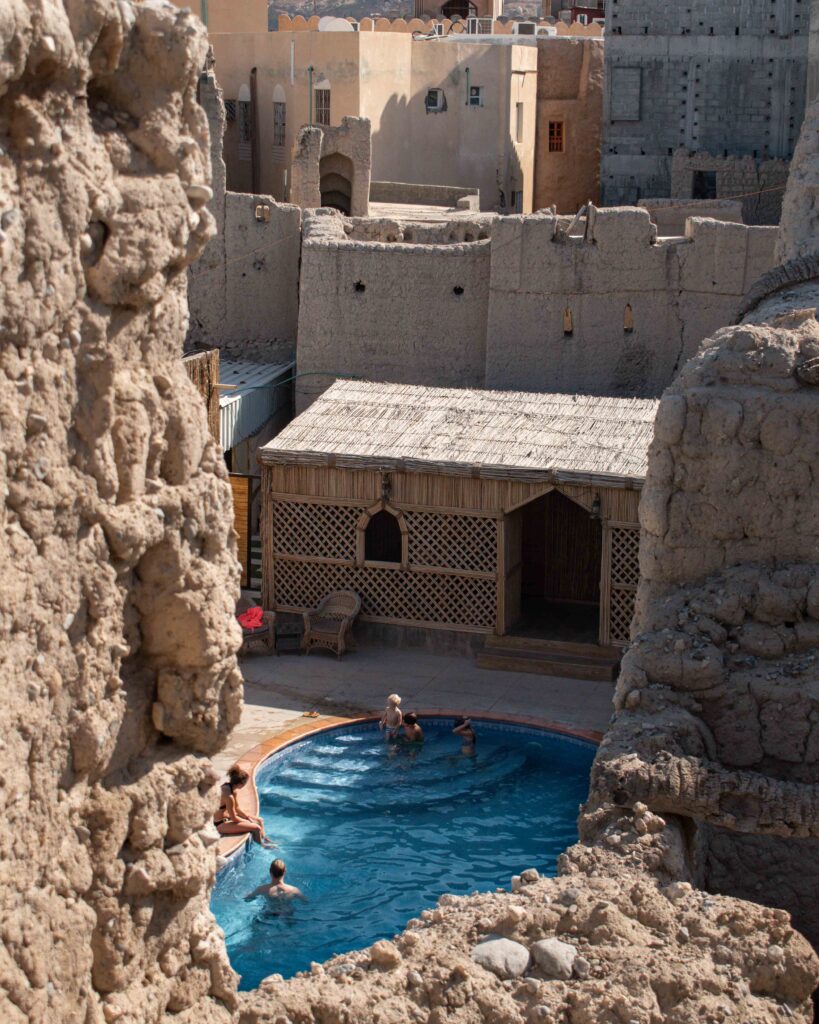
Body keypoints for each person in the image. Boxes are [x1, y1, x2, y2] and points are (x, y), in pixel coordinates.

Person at [213, 765, 276, 848]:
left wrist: (247, 817)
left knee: (260, 820)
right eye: (245, 783)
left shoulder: (229, 787)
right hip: (220, 824)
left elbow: (237, 808)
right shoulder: (229, 796)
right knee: (256, 828)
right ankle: (262, 845)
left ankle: (265, 838)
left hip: (227, 818)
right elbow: (234, 818)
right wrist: (249, 822)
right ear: (240, 784)